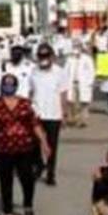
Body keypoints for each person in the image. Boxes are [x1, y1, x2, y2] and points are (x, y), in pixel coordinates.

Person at [0, 74, 51, 215]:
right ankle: (8, 213)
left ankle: (28, 205)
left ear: (16, 86)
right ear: (1, 86)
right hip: (2, 150)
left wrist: (44, 143)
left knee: (27, 178)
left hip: (25, 148)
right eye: (5, 84)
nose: (8, 86)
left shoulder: (25, 104)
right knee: (5, 181)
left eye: (11, 84)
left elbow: (35, 125)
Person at [28, 44, 68, 186]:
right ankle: (39, 165)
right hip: (37, 113)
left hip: (53, 114)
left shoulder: (60, 72)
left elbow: (63, 93)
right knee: (34, 144)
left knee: (51, 146)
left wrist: (64, 114)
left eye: (46, 56)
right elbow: (31, 91)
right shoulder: (33, 72)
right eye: (40, 56)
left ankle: (51, 173)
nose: (43, 59)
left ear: (51, 57)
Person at [67, 44, 96, 128]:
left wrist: (90, 82)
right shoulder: (70, 59)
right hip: (72, 83)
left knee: (84, 103)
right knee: (72, 102)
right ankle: (74, 119)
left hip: (84, 84)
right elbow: (66, 71)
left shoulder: (87, 59)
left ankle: (83, 121)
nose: (76, 53)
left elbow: (92, 71)